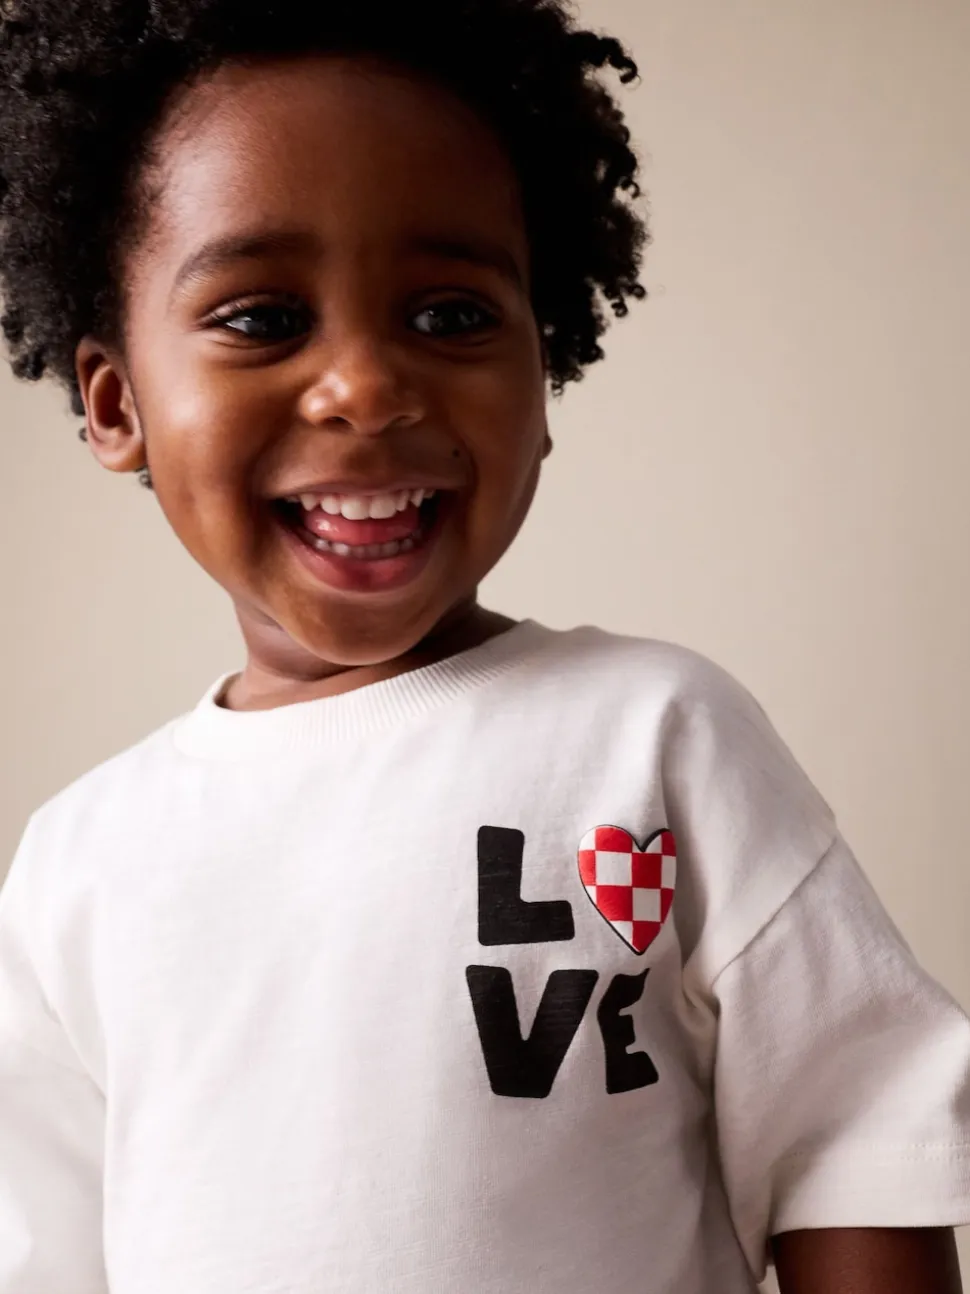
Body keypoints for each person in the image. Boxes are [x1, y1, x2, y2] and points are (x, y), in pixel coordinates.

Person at [0, 1, 968, 1291]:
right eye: (262, 317)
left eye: (451, 316)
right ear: (117, 402)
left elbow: (857, 1146)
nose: (366, 388)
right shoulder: (79, 863)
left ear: (543, 378)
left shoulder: (655, 736)